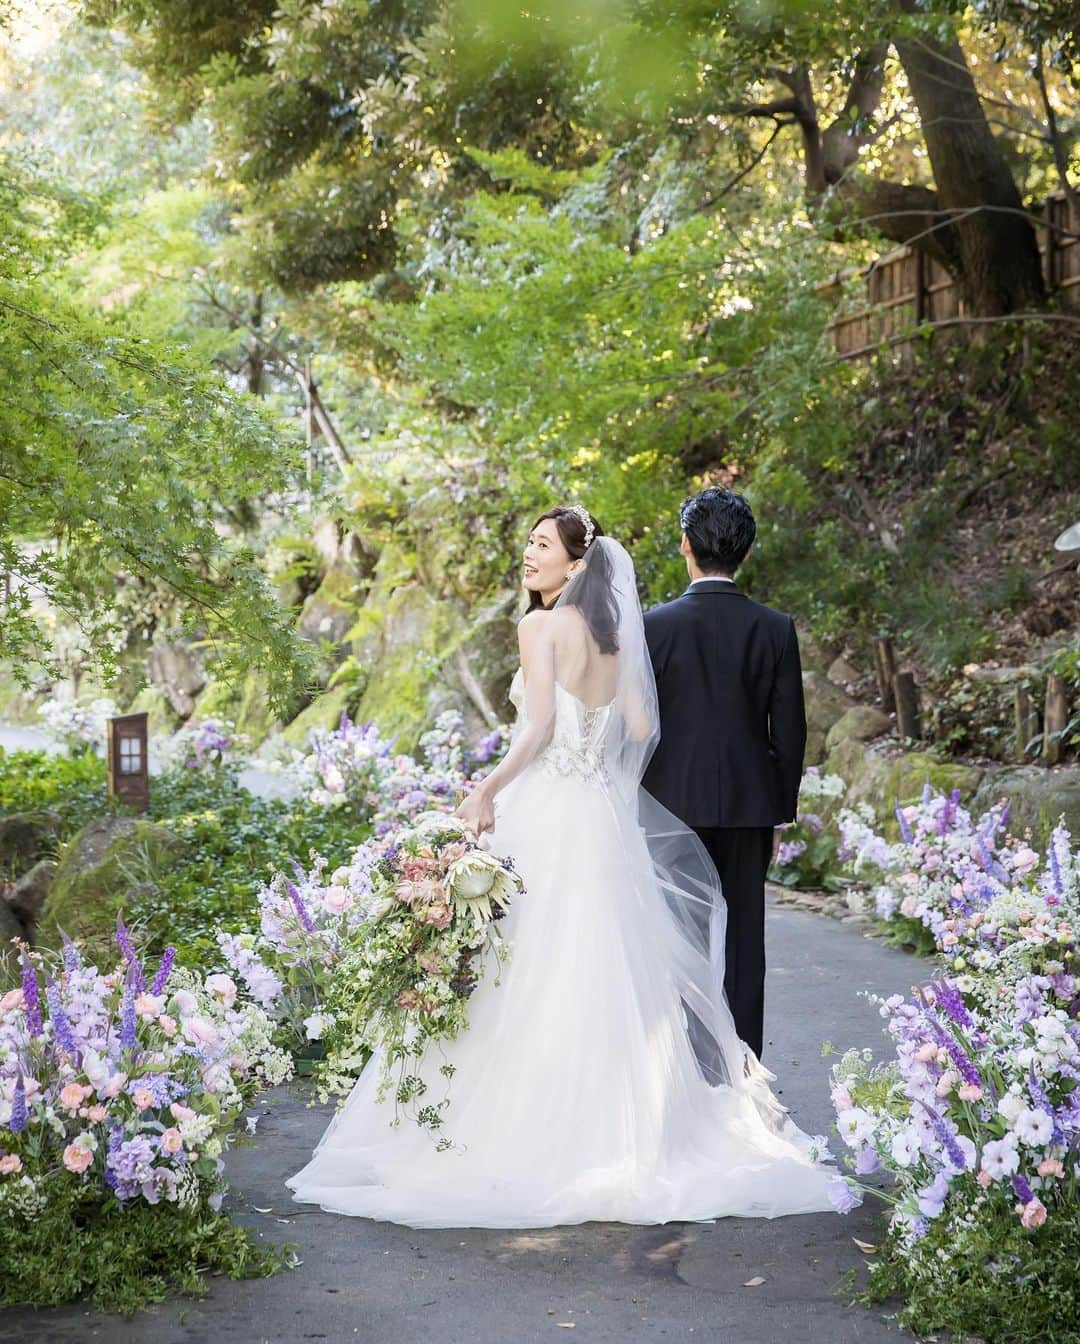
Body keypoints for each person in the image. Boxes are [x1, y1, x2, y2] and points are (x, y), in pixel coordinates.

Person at [285, 506, 831, 1228]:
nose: (528, 554)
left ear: (579, 565)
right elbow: (647, 728)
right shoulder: (635, 638)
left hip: (559, 810)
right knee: (640, 967)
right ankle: (689, 1107)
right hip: (622, 816)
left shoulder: (557, 627)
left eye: (540, 544)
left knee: (533, 966)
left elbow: (542, 729)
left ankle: (535, 1127)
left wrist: (486, 788)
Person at [642, 488, 806, 1061]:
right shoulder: (774, 628)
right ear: (746, 553)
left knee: (677, 940)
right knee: (743, 947)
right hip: (748, 807)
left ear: (685, 545)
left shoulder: (653, 628)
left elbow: (640, 728)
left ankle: (682, 1072)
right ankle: (742, 1074)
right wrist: (778, 809)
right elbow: (790, 733)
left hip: (666, 808)